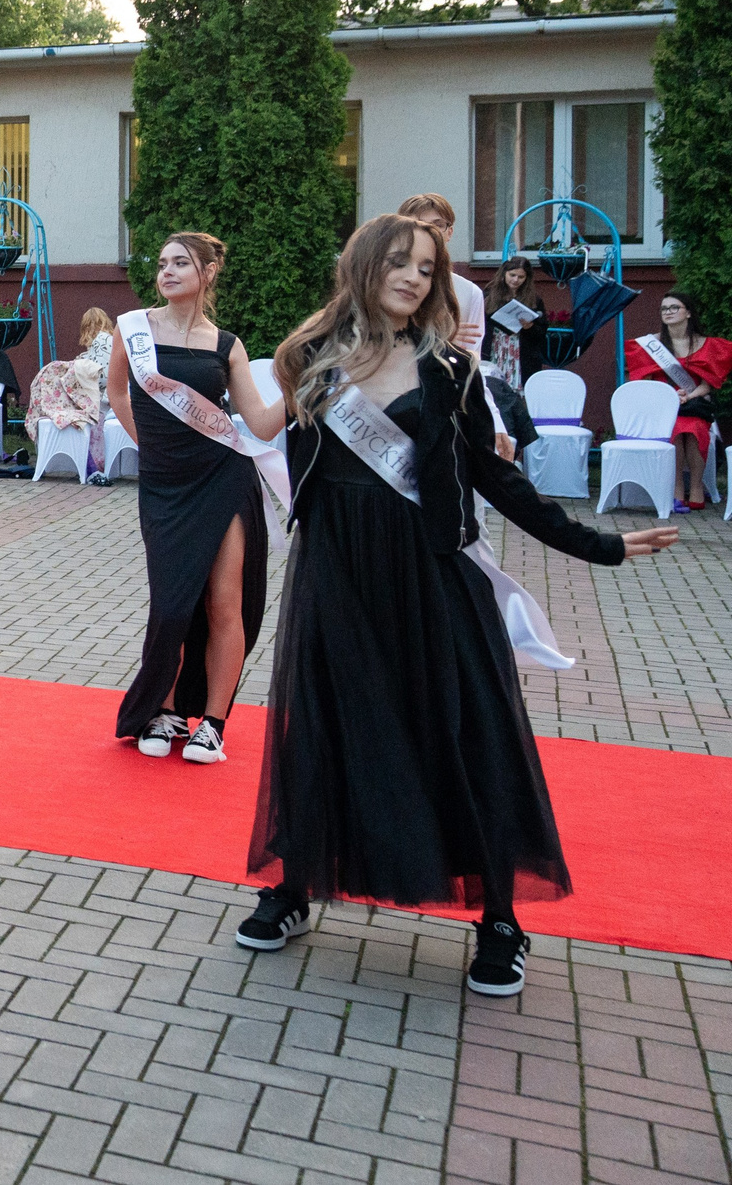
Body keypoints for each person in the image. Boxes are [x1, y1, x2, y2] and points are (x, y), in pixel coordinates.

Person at [239, 213, 676, 995]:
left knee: (465, 732)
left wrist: (599, 544)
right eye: (400, 262)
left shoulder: (450, 369)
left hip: (429, 574)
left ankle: (501, 919)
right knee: (329, 722)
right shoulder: (310, 357)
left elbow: (496, 479)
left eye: (427, 268)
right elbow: (291, 454)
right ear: (365, 264)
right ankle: (295, 886)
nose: (413, 277)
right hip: (336, 573)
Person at [106, 232, 285, 764]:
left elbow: (258, 422)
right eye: (162, 263)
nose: (167, 271)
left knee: (223, 600)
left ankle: (212, 721)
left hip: (223, 478)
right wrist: (149, 442)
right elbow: (117, 390)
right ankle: (161, 709)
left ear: (208, 273)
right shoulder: (133, 328)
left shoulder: (227, 344)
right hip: (165, 484)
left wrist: (304, 390)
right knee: (171, 602)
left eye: (180, 263)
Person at [398, 195, 515, 461]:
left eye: (437, 224)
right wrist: (439, 341)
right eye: (417, 223)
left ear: (449, 232)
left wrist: (494, 420)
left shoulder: (468, 292)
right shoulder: (389, 284)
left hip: (447, 416)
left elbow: (472, 365)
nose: (428, 231)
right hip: (396, 413)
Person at [624, 292, 728, 513]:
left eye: (674, 307)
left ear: (688, 312)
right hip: (662, 406)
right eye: (664, 309)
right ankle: (677, 487)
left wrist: (687, 396)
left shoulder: (707, 344)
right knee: (677, 427)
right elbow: (646, 381)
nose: (668, 312)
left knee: (694, 428)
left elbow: (707, 385)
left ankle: (697, 485)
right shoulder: (650, 344)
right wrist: (670, 396)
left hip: (694, 403)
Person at [28, 307, 117, 485]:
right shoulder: (112, 344)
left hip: (102, 406)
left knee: (67, 415)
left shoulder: (101, 347)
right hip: (110, 405)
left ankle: (85, 466)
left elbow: (99, 382)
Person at [481, 256, 549, 390]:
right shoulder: (489, 294)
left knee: (518, 391)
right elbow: (481, 321)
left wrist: (530, 327)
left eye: (521, 277)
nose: (516, 280)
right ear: (504, 273)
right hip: (495, 347)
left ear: (527, 278)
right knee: (492, 388)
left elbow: (541, 332)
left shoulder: (534, 299)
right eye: (512, 275)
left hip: (521, 352)